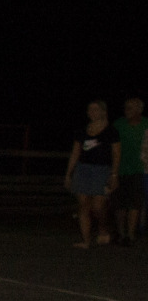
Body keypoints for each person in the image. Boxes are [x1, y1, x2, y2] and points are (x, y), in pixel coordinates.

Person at [63, 100, 119, 248]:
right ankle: (86, 240)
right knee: (83, 205)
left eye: (95, 109)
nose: (92, 112)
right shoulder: (82, 131)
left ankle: (103, 228)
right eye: (90, 109)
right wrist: (69, 174)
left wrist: (114, 174)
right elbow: (75, 152)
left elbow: (116, 154)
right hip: (83, 169)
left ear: (103, 112)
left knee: (98, 206)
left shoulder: (111, 131)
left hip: (102, 170)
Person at [115, 95, 146, 246]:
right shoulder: (118, 124)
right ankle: (121, 233)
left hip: (140, 169)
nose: (126, 110)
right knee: (120, 204)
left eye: (130, 108)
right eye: (126, 107)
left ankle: (131, 234)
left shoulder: (146, 124)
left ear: (139, 110)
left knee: (135, 203)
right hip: (120, 169)